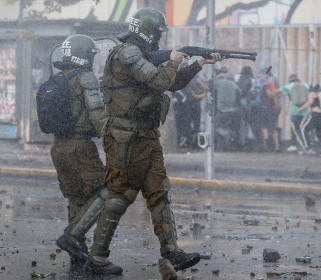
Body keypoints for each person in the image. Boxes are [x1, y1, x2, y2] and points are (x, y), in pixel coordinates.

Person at [85, 7, 223, 274]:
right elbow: (160, 81)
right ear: (149, 32)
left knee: (159, 193)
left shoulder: (139, 55)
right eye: (158, 33)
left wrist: (199, 63)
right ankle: (97, 258)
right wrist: (174, 59)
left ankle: (172, 252)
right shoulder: (127, 52)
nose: (160, 39)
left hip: (146, 135)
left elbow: (171, 84)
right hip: (126, 136)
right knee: (121, 195)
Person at [49, 35, 108, 263]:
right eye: (92, 55)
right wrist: (113, 137)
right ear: (85, 55)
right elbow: (97, 116)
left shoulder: (59, 77)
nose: (93, 59)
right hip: (80, 146)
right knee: (109, 189)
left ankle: (77, 252)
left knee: (76, 196)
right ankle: (72, 236)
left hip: (58, 146)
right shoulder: (87, 78)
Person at [272, 74, 308, 152]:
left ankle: (304, 146)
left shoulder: (290, 85)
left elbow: (276, 91)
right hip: (305, 111)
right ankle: (293, 145)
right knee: (295, 128)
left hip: (295, 112)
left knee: (296, 129)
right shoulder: (305, 85)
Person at [249, 68, 280, 152]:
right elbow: (269, 93)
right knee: (271, 128)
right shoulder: (267, 83)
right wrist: (278, 93)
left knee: (260, 127)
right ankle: (277, 147)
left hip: (257, 108)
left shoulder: (255, 82)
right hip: (266, 108)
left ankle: (263, 146)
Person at [214, 67, 242, 150]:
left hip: (221, 109)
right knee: (226, 126)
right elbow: (240, 92)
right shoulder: (232, 83)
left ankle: (227, 135)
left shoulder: (218, 82)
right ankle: (225, 143)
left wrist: (219, 77)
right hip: (231, 110)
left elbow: (210, 84)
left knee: (216, 127)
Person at [237, 66, 255, 148]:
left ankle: (242, 141)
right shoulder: (252, 79)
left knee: (241, 122)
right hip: (248, 102)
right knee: (248, 121)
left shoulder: (238, 78)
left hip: (239, 102)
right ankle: (247, 139)